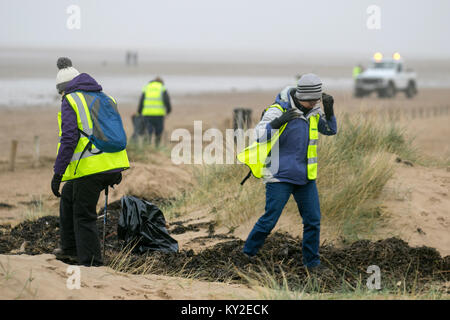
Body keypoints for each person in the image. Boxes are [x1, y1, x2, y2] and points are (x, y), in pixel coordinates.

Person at [242, 73, 337, 276]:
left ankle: (312, 264)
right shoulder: (277, 109)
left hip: (305, 177)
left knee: (313, 220)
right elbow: (258, 135)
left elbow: (330, 130)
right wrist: (278, 122)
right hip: (279, 176)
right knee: (270, 219)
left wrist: (329, 111)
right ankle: (246, 255)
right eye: (310, 100)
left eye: (316, 100)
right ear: (300, 95)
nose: (313, 104)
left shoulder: (314, 112)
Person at [51, 57, 130, 266]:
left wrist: (58, 173)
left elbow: (68, 138)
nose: (60, 96)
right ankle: (69, 249)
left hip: (93, 167)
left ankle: (91, 263)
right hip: (112, 164)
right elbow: (115, 132)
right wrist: (115, 168)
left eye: (60, 92)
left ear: (64, 88)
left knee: (84, 213)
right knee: (69, 195)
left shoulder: (71, 100)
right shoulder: (106, 98)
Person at [137, 77, 172, 146]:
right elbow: (166, 100)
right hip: (159, 114)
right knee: (158, 132)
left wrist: (139, 111)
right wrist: (168, 110)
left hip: (147, 114)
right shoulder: (162, 88)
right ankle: (157, 146)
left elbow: (142, 100)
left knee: (148, 131)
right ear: (161, 82)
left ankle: (147, 146)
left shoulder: (147, 87)